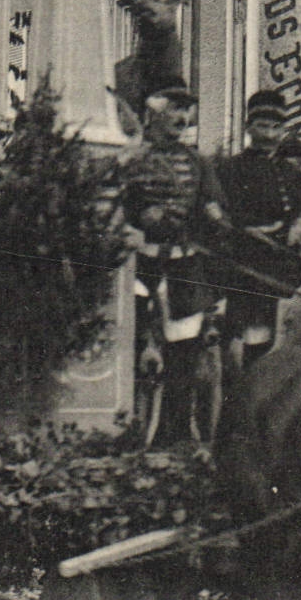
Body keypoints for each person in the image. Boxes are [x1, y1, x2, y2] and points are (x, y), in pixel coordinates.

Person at [116, 78, 228, 445]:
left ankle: (175, 435)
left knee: (184, 356)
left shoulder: (198, 162)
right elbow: (117, 202)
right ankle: (129, 433)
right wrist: (137, 219)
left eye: (186, 110)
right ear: (154, 112)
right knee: (132, 352)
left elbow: (213, 206)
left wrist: (214, 216)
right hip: (140, 265)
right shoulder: (132, 157)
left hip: (183, 268)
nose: (182, 117)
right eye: (174, 109)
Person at [214, 90, 301, 367]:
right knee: (256, 345)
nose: (271, 134)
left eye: (277, 127)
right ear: (249, 127)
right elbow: (229, 219)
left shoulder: (290, 172)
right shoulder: (231, 169)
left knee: (292, 340)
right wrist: (274, 232)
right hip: (250, 271)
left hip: (288, 273)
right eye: (264, 126)